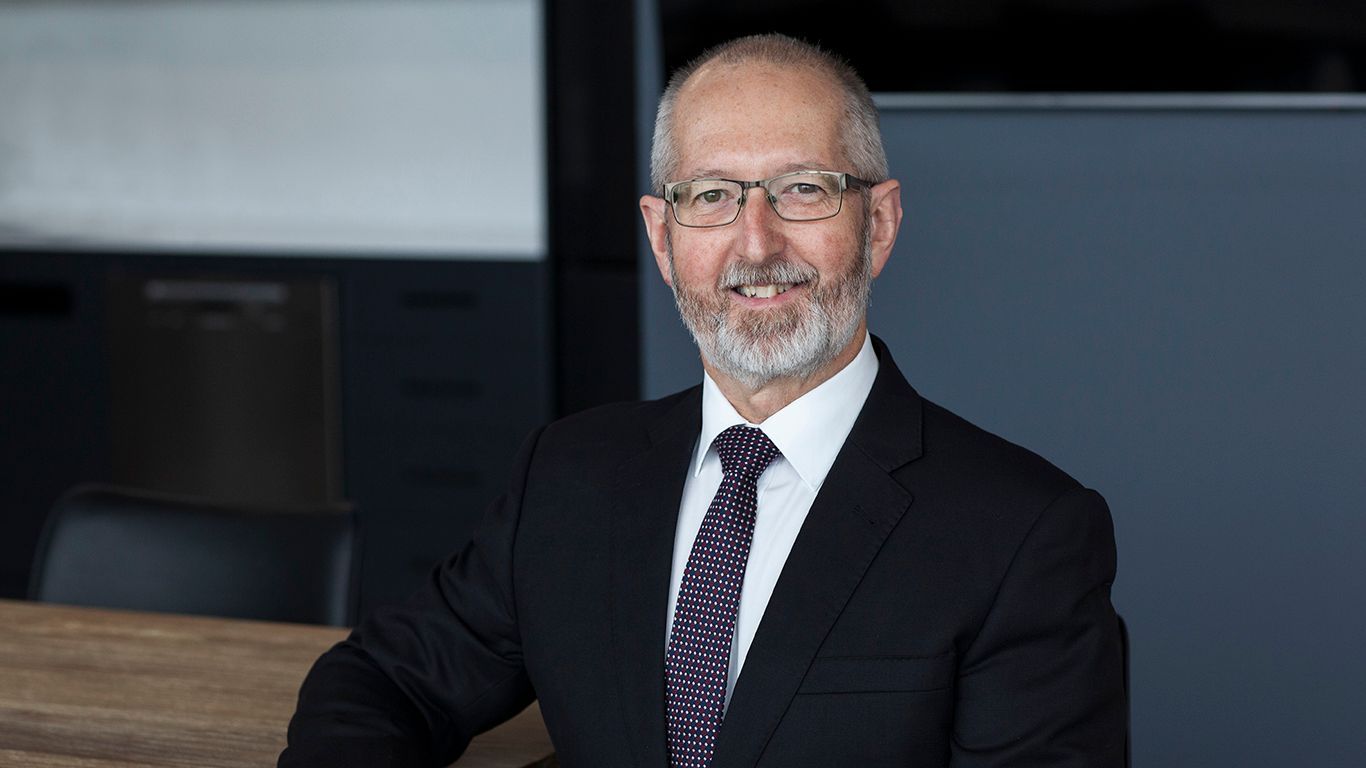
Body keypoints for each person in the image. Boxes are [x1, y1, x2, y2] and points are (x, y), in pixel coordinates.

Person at [281, 33, 1126, 768]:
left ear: (878, 225)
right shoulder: (566, 477)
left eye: (802, 188)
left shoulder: (1024, 534)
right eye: (712, 195)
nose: (755, 244)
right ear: (662, 235)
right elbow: (383, 682)